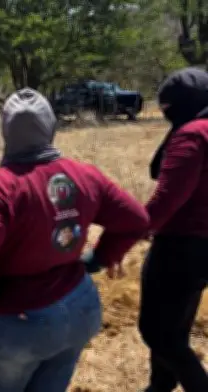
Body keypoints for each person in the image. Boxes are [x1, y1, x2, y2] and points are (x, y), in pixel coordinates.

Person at [0, 88, 150, 392]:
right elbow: (136, 219)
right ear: (51, 127)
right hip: (79, 308)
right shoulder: (85, 175)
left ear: (6, 132)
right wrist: (99, 258)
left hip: (18, 319)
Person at [138, 67, 208, 392]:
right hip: (202, 247)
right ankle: (160, 386)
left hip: (181, 245)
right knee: (175, 327)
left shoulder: (192, 135)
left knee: (158, 332)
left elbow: (168, 197)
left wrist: (132, 229)